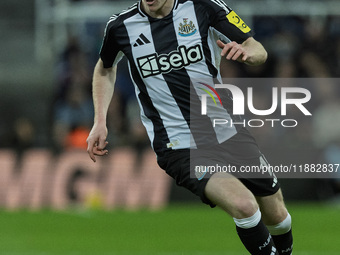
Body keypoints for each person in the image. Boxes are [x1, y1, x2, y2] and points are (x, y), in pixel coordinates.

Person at [86, 0, 293, 254]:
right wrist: (99, 121)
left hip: (228, 130)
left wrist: (249, 55)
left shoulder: (204, 7)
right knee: (245, 205)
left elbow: (257, 47)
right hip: (179, 145)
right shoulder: (120, 26)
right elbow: (105, 68)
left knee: (277, 215)